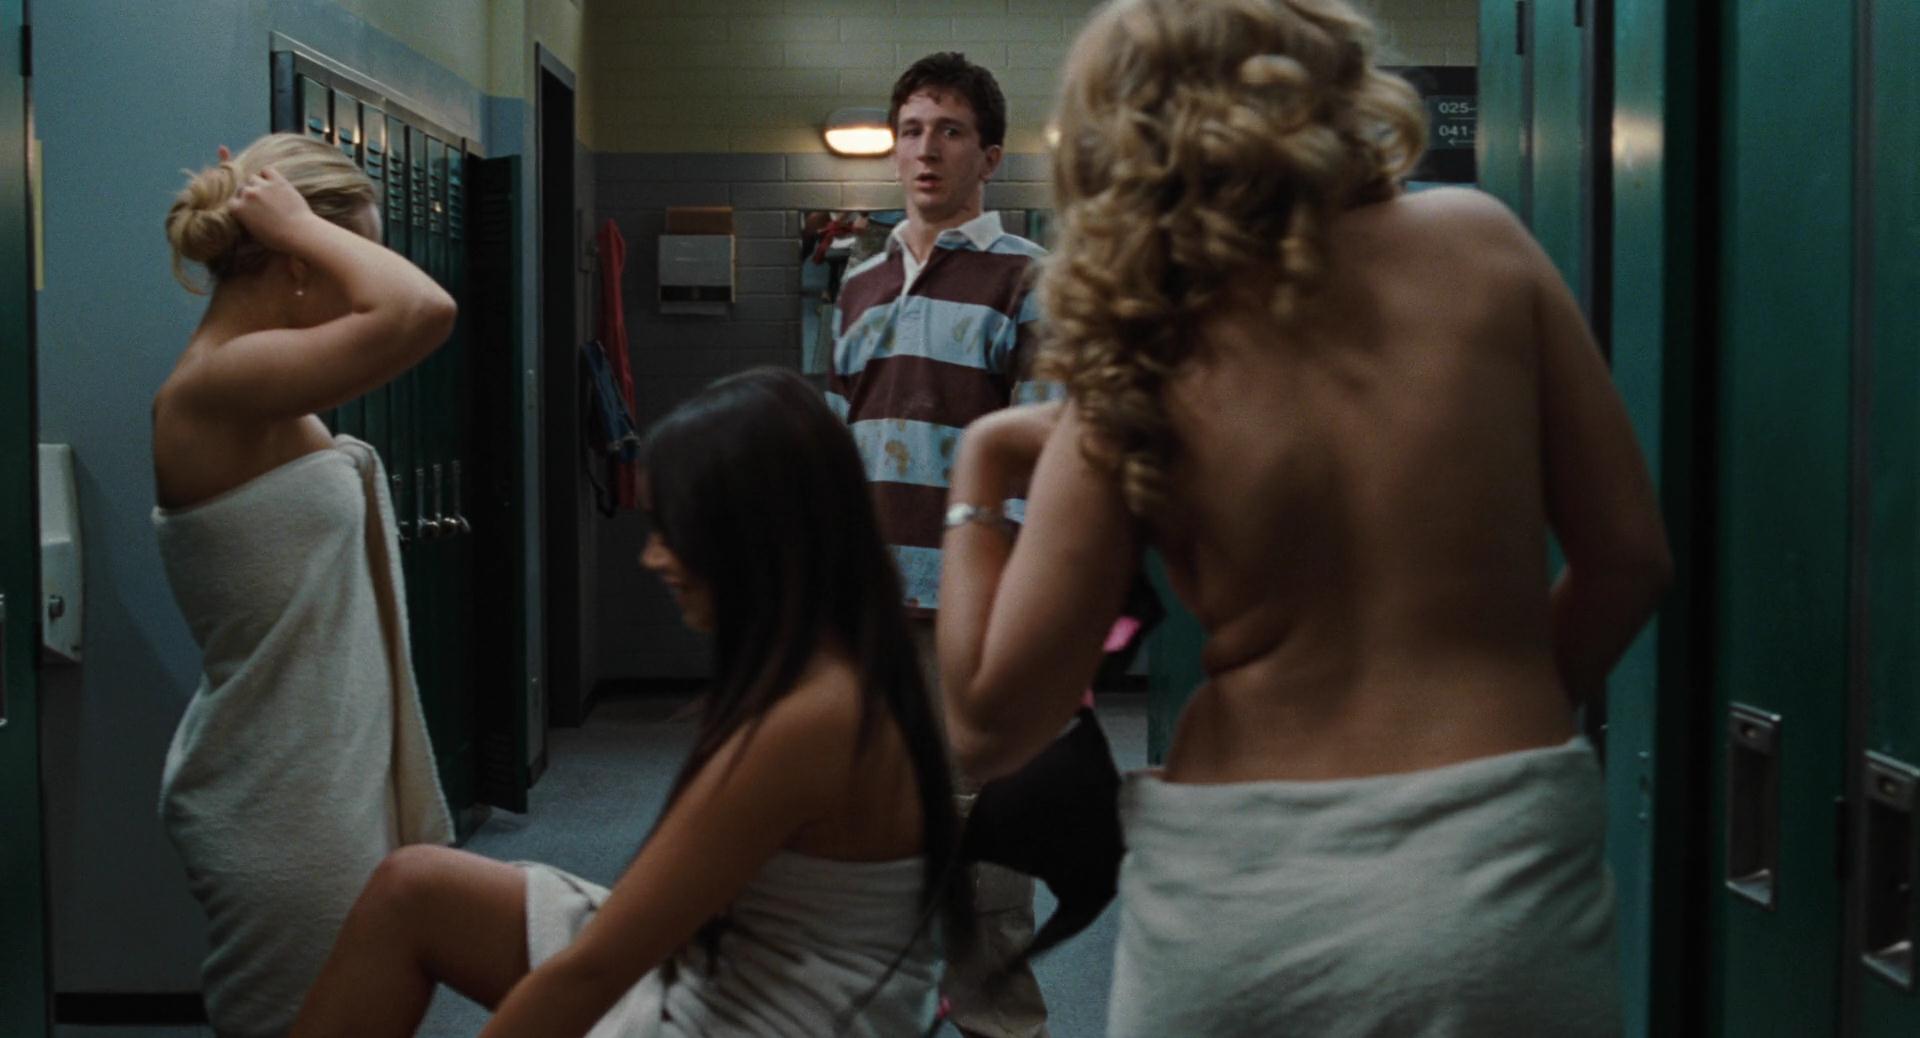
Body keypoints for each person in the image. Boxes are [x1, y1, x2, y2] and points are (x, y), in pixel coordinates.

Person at [936, 1, 1673, 1035]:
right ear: (1332, 81)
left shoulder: (1144, 337)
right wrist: (1493, 715)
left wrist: (982, 463)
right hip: (1502, 873)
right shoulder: (1483, 245)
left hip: (1247, 890)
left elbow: (990, 724)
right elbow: (1629, 561)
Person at [288, 368, 972, 1038]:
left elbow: (592, 973)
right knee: (414, 887)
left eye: (673, 531)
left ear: (751, 533)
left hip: (754, 1017)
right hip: (735, 972)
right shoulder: (840, 667)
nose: (654, 559)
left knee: (543, 956)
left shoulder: (811, 719)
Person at [151, 132, 457, 1036]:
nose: (360, 277)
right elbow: (421, 309)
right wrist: (300, 224)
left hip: (319, 772)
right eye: (350, 253)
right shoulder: (216, 385)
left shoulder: (256, 383)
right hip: (283, 798)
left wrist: (299, 227)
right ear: (295, 263)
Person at [826, 50, 1053, 1038]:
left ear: (989, 156)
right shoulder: (859, 279)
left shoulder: (1029, 279)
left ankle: (1001, 1026)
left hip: (973, 614)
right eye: (912, 130)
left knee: (982, 860)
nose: (926, 150)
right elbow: (836, 441)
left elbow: (1049, 461)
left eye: (950, 131)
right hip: (867, 610)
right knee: (867, 840)